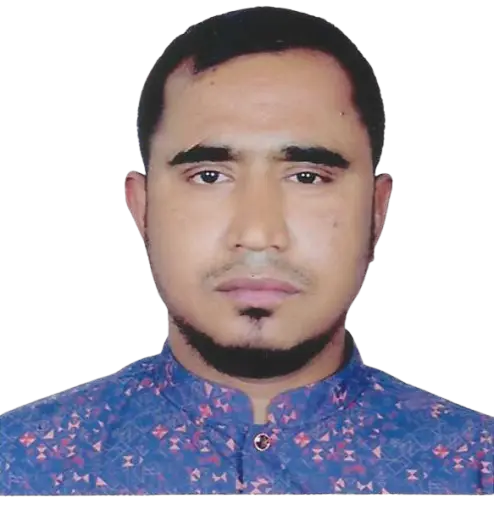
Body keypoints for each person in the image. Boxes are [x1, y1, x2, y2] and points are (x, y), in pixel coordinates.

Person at [0, 6, 492, 496]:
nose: (258, 233)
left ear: (377, 210)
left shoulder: (476, 465)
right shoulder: (17, 464)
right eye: (209, 176)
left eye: (307, 177)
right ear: (142, 208)